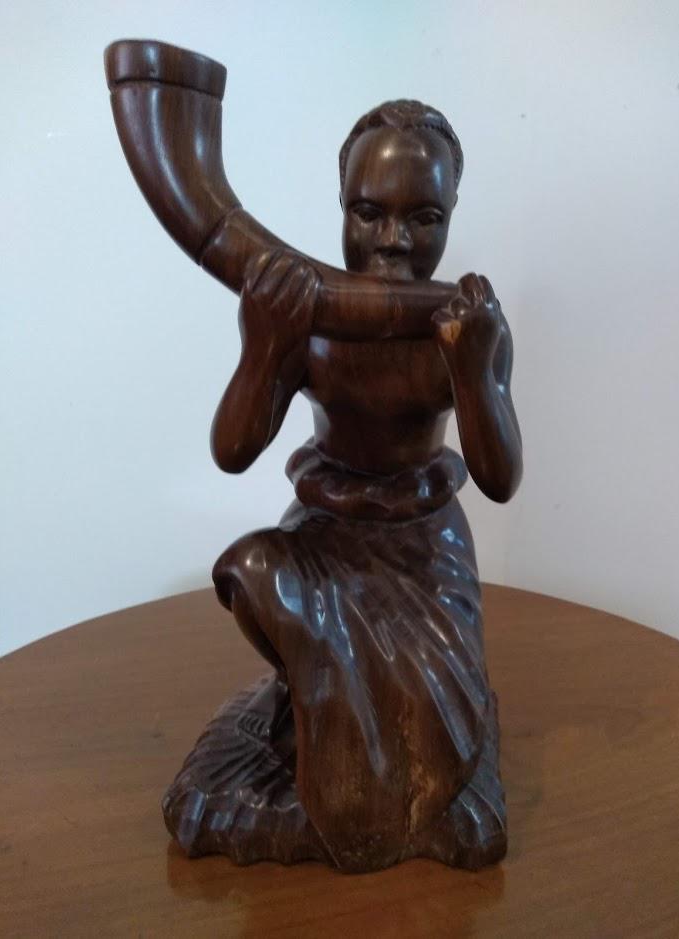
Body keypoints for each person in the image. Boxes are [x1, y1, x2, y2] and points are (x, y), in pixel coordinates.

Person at [163, 100, 522, 872]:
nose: (394, 240)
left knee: (428, 727)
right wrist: (265, 345)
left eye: (423, 217)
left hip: (424, 553)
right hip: (326, 535)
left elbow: (499, 477)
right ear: (341, 205)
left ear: (451, 214)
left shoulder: (463, 327)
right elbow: (232, 449)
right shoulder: (312, 319)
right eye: (368, 213)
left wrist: (475, 369)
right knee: (253, 569)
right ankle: (308, 714)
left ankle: (388, 786)